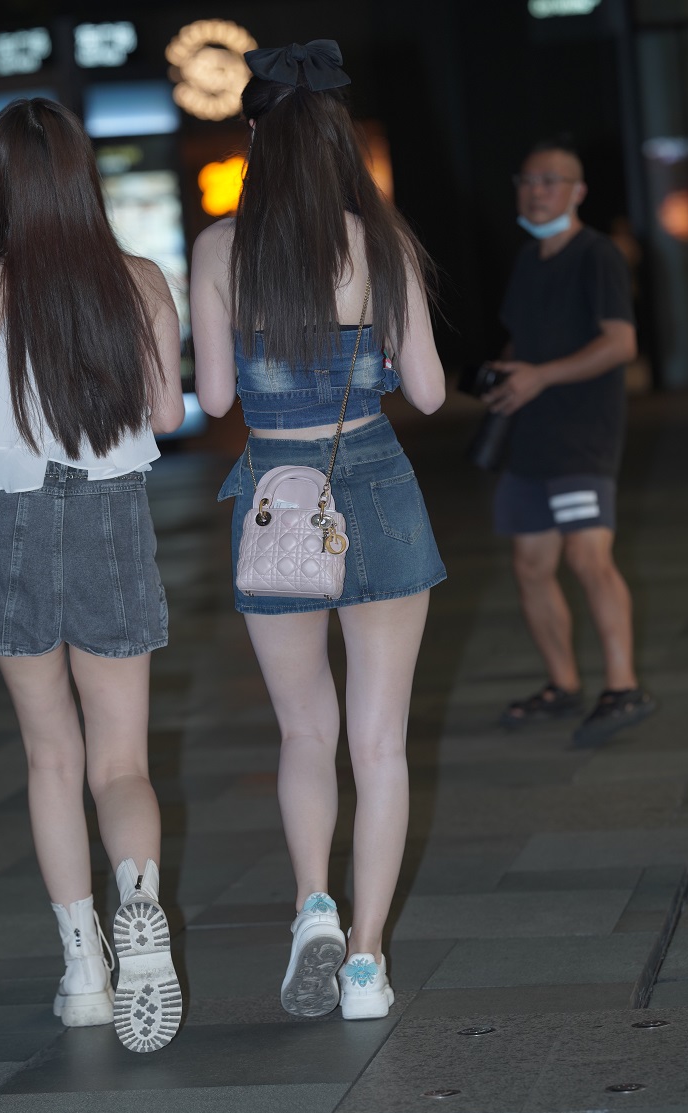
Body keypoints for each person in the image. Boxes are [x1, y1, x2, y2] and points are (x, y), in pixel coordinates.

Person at [191, 40, 446, 1020]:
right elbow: (428, 391)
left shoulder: (221, 250)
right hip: (374, 486)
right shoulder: (379, 242)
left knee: (304, 731)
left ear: (257, 139)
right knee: (380, 746)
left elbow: (217, 397)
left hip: (275, 496)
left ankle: (313, 906)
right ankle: (367, 964)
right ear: (337, 138)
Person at [0, 98, 185, 1052]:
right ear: (82, 175)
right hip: (112, 517)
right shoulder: (138, 279)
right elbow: (167, 412)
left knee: (51, 757)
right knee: (123, 761)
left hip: (12, 526)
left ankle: (84, 970)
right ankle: (141, 899)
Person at [485, 136, 655, 748]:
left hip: (584, 435)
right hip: (531, 437)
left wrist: (542, 376)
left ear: (578, 191)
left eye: (549, 181)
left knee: (588, 557)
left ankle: (623, 686)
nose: (535, 191)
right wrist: (506, 375)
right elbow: (523, 341)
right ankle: (563, 684)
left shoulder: (597, 255)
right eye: (526, 181)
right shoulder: (530, 260)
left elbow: (621, 343)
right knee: (531, 566)